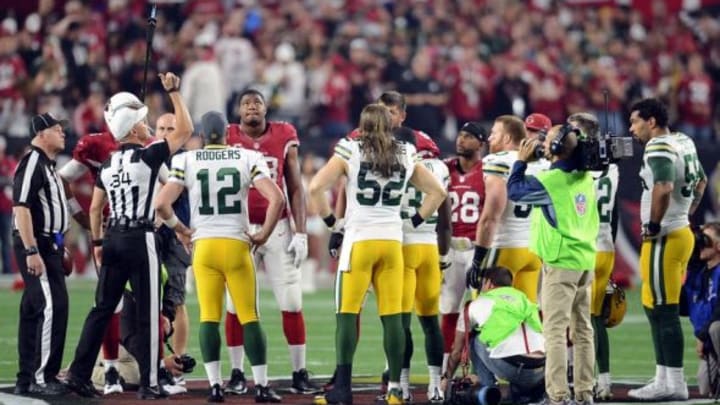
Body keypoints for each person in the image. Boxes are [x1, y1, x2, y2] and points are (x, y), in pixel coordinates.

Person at [65, 72, 193, 400]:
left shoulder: (107, 162)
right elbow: (187, 131)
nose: (148, 126)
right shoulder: (149, 155)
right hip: (141, 239)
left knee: (102, 309)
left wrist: (96, 243)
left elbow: (95, 209)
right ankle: (150, 383)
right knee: (150, 313)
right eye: (144, 122)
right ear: (135, 129)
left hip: (112, 238)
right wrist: (175, 93)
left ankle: (79, 374)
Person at [309, 104, 447, 405]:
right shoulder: (406, 152)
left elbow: (316, 187)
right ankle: (396, 389)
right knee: (393, 318)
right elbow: (438, 192)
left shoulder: (351, 147)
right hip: (392, 242)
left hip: (360, 240)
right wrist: (415, 221)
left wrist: (334, 223)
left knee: (347, 314)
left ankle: (342, 390)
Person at [156, 111, 284, 403]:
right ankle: (262, 386)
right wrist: (263, 234)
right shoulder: (246, 157)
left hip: (205, 248)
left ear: (201, 136)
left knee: (209, 318)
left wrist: (181, 230)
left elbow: (162, 203)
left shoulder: (185, 159)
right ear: (228, 133)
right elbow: (277, 198)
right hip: (236, 245)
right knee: (250, 317)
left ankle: (215, 387)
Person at [224, 89, 317, 395]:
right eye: (246, 103)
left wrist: (300, 231)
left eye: (257, 102)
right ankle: (237, 372)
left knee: (291, 301)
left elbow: (294, 185)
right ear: (238, 111)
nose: (252, 106)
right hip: (239, 229)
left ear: (266, 109)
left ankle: (298, 371)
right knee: (235, 306)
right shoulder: (226, 136)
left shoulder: (284, 134)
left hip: (277, 228)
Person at [506, 125, 599, 405]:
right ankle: (584, 392)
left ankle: (558, 396)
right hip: (585, 260)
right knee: (583, 330)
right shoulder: (585, 176)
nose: (542, 144)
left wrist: (521, 162)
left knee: (555, 332)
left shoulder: (549, 181)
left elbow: (515, 191)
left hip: (561, 262)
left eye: (547, 141)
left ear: (558, 148)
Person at [627, 98, 707, 401]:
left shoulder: (659, 145)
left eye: (635, 121)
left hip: (666, 238)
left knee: (664, 310)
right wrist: (687, 214)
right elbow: (701, 181)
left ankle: (673, 382)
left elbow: (663, 186)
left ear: (651, 121)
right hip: (678, 231)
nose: (631, 129)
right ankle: (664, 377)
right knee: (654, 306)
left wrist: (655, 224)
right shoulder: (683, 140)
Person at [58, 103, 125, 396]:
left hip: (143, 230)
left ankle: (156, 369)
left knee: (154, 301)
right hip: (109, 229)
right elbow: (62, 178)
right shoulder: (97, 144)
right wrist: (79, 215)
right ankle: (110, 370)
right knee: (112, 302)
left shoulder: (149, 143)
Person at [11, 112, 71, 396]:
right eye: (57, 129)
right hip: (37, 245)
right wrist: (31, 249)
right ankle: (42, 377)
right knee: (51, 306)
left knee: (34, 309)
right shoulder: (33, 161)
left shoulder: (49, 165)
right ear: (41, 134)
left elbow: (54, 210)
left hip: (51, 245)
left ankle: (27, 377)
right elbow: (21, 208)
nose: (63, 133)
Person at [397, 126, 452, 402]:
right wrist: (444, 256)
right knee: (431, 322)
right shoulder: (440, 167)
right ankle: (434, 386)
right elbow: (445, 219)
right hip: (429, 246)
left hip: (402, 247)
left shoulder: (393, 163)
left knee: (402, 323)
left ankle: (403, 386)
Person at [567, 112, 619, 399]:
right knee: (593, 318)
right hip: (605, 245)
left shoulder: (576, 165)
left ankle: (579, 377)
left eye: (572, 129)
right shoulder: (612, 165)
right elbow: (616, 217)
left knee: (577, 318)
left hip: (582, 246)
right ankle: (604, 380)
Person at [468, 115, 546, 303]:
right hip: (533, 251)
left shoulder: (497, 160)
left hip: (505, 248)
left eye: (494, 133)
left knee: (486, 314)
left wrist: (478, 259)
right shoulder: (543, 164)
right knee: (525, 315)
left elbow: (490, 217)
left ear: (507, 139)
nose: (489, 138)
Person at [445, 267, 545, 405]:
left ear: (488, 283)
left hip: (511, 367)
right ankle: (527, 392)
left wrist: (446, 378)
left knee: (474, 339)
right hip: (539, 369)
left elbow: (457, 350)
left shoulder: (476, 304)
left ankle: (489, 392)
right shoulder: (525, 299)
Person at [440, 121, 486, 373]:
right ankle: (444, 369)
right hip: (450, 248)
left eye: (469, 136)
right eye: (460, 134)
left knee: (479, 310)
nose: (461, 140)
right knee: (448, 307)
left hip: (476, 248)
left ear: (481, 143)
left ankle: (477, 369)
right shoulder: (444, 168)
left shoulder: (489, 171)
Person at [154, 113, 191, 362]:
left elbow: (175, 191)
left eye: (171, 128)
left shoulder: (187, 159)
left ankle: (178, 360)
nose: (166, 133)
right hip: (150, 234)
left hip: (177, 236)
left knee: (176, 299)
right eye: (161, 128)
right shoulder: (146, 155)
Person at [684, 223, 720, 398]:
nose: (700, 243)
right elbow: (682, 307)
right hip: (710, 343)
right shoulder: (698, 274)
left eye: (705, 240)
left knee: (717, 327)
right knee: (706, 388)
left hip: (712, 334)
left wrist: (702, 336)